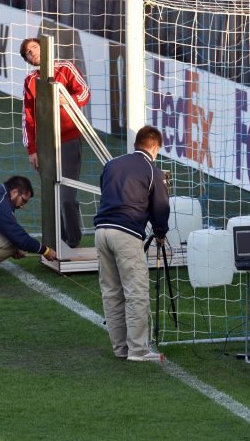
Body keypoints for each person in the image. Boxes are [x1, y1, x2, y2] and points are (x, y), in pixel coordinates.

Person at [94, 126, 170, 362]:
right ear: (155, 147)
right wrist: (160, 233)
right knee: (135, 292)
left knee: (111, 292)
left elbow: (105, 191)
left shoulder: (112, 164)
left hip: (101, 232)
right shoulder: (152, 170)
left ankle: (120, 348)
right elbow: (161, 207)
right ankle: (138, 350)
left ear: (136, 143)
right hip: (126, 233)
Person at [20, 37, 90, 249]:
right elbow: (28, 117)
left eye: (34, 48)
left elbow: (85, 92)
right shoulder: (30, 81)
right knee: (51, 194)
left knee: (67, 195)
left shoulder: (66, 68)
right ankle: (57, 241)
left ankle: (73, 240)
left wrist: (66, 99)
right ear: (28, 60)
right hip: (44, 146)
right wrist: (32, 150)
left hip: (69, 140)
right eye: (28, 53)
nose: (33, 54)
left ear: (44, 47)